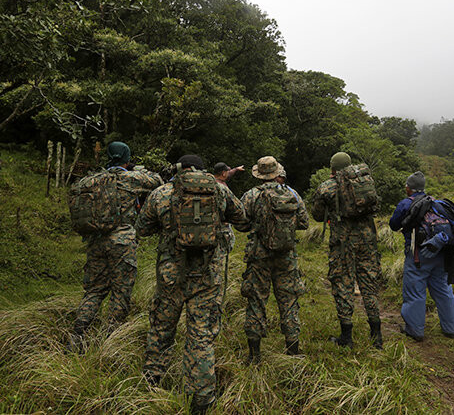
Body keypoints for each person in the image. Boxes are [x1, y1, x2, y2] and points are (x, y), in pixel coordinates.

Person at [136, 155, 246, 414]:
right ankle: (201, 399)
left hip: (170, 276)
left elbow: (142, 228)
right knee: (201, 336)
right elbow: (242, 221)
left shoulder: (162, 192)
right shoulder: (220, 191)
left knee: (161, 328)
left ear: (178, 169)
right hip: (208, 276)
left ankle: (151, 384)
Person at [69, 141, 162, 348]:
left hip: (96, 241)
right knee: (121, 291)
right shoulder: (130, 178)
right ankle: (110, 341)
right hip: (122, 241)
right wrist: (141, 169)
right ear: (127, 159)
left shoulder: (93, 180)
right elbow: (157, 181)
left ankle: (77, 337)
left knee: (94, 291)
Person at [234, 156, 309, 363]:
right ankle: (293, 352)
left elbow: (240, 224)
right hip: (287, 256)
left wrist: (258, 226)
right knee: (289, 300)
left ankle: (254, 355)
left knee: (256, 300)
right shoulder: (292, 193)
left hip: (259, 256)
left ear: (259, 174)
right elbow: (304, 222)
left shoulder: (251, 195)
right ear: (277, 173)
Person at [311, 152, 383, 349]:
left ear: (332, 169)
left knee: (343, 283)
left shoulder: (326, 187)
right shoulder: (365, 181)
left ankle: (346, 337)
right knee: (369, 283)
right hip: (367, 240)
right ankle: (376, 336)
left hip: (342, 243)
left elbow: (317, 215)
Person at [389, 171, 454, 342]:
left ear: (409, 188)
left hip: (418, 255)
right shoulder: (437, 204)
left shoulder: (407, 203)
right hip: (441, 253)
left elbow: (393, 225)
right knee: (443, 290)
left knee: (414, 292)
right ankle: (451, 329)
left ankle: (415, 330)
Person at [213, 161, 244, 252]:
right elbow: (238, 209)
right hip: (222, 224)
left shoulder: (211, 182)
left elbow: (229, 174)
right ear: (223, 173)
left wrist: (236, 169)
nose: (228, 173)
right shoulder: (222, 188)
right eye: (227, 171)